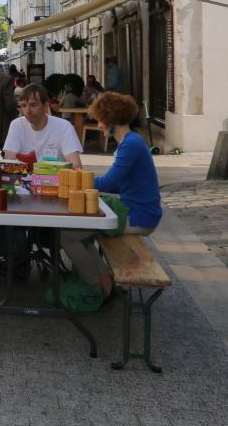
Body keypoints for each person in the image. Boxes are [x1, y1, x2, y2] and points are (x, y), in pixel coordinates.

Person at [61, 92, 162, 295]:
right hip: (137, 211)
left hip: (139, 215)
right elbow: (117, 185)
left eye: (101, 121)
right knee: (77, 230)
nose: (99, 126)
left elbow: (109, 182)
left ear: (111, 121)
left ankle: (97, 283)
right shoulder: (130, 141)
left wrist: (76, 179)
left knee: (67, 235)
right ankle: (100, 278)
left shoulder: (130, 144)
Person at [2, 84, 83, 167]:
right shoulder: (16, 125)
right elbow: (9, 162)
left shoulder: (64, 126)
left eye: (33, 105)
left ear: (46, 106)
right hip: (25, 178)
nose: (27, 111)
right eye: (23, 105)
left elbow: (76, 166)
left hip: (56, 178)